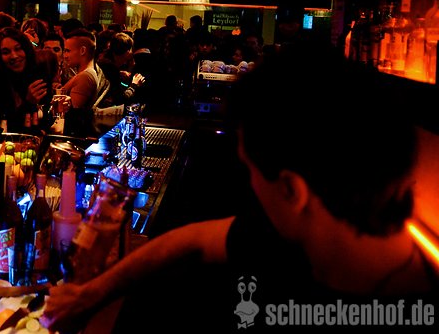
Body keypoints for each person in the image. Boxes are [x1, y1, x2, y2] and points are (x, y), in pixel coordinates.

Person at [41, 41, 438, 332]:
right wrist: (91, 294)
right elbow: (190, 240)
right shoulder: (310, 232)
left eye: (251, 170)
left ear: (292, 191)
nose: (251, 185)